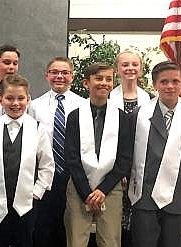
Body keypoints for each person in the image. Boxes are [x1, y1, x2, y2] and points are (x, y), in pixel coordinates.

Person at [129, 61, 181, 247]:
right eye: (164, 82)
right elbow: (129, 153)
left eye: (175, 81)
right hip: (145, 193)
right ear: (155, 85)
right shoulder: (138, 115)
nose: (170, 86)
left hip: (178, 194)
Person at [0, 74, 54, 247]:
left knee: (25, 241)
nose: (15, 103)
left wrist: (37, 192)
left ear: (28, 99)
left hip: (27, 204)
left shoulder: (37, 129)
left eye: (20, 98)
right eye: (9, 98)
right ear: (0, 99)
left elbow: (47, 165)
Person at [64, 63, 132, 247]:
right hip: (79, 186)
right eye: (98, 78)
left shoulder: (122, 118)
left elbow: (125, 158)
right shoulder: (74, 116)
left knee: (110, 240)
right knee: (76, 240)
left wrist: (103, 189)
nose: (104, 83)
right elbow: (71, 157)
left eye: (108, 79)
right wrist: (86, 192)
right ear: (87, 83)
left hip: (110, 187)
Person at [28, 57, 86, 247]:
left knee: (68, 228)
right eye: (54, 72)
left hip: (72, 176)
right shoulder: (35, 105)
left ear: (72, 76)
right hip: (44, 176)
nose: (59, 76)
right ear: (47, 76)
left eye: (64, 72)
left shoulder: (83, 105)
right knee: (43, 228)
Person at [109, 51, 153, 247]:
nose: (130, 68)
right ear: (117, 69)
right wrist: (120, 170)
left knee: (139, 222)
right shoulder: (107, 97)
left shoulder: (151, 100)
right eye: (125, 65)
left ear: (141, 69)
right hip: (115, 167)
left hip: (142, 167)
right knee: (115, 221)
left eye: (134, 64)